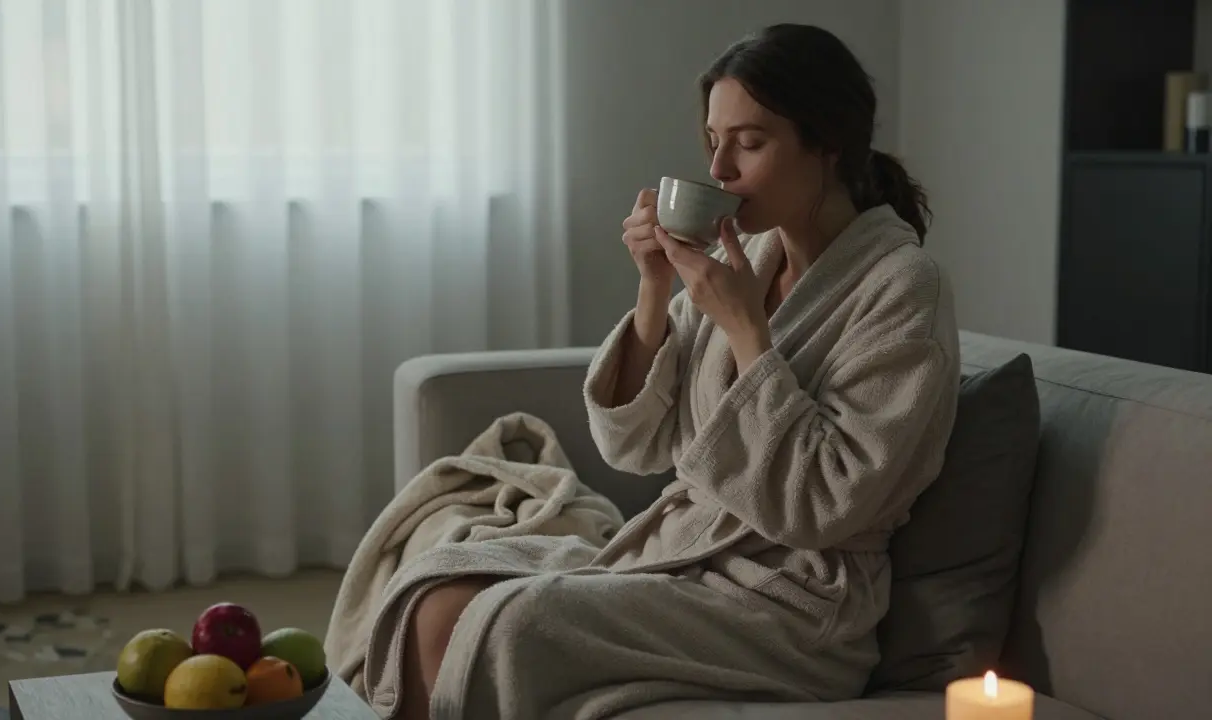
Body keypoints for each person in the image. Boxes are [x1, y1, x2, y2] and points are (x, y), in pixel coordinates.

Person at [375, 23, 960, 720]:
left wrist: (747, 331)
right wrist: (654, 290)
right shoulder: (752, 255)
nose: (720, 171)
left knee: (509, 624)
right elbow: (634, 447)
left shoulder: (902, 286)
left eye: (751, 142)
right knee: (436, 590)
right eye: (714, 141)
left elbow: (826, 504)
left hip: (797, 603)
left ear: (829, 144)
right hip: (691, 553)